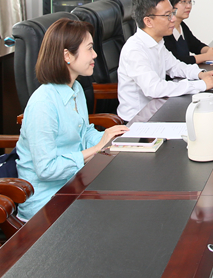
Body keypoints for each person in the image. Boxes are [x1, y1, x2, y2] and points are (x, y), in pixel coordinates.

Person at [16, 18, 129, 220]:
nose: (95, 54)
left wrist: (113, 140)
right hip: (46, 203)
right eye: (89, 48)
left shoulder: (75, 88)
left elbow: (83, 133)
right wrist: (97, 148)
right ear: (67, 55)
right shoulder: (43, 104)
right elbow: (46, 169)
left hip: (75, 183)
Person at [117, 0, 213, 121]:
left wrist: (200, 74)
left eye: (173, 13)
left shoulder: (157, 42)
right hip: (138, 120)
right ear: (148, 21)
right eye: (168, 15)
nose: (173, 19)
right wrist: (201, 85)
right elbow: (154, 89)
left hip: (159, 109)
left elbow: (175, 66)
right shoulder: (134, 50)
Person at [160, 0, 213, 65]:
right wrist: (207, 56)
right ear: (169, 3)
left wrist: (212, 51)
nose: (189, 6)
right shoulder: (164, 31)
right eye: (183, 1)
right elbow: (176, 61)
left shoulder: (181, 25)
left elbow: (196, 45)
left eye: (189, 1)